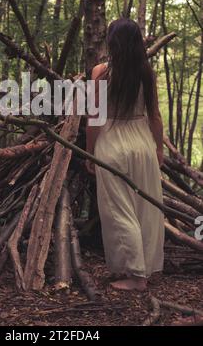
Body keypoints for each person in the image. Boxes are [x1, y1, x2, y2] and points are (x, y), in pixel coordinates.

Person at [86, 18, 165, 292]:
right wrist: (158, 147)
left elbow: (94, 119)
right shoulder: (146, 73)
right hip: (142, 144)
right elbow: (154, 116)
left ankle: (136, 276)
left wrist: (89, 153)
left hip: (112, 145)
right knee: (144, 209)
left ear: (112, 42)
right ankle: (141, 267)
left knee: (120, 211)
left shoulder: (101, 72)